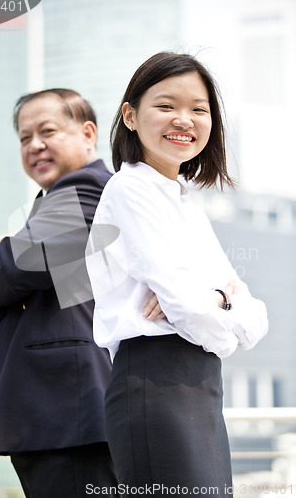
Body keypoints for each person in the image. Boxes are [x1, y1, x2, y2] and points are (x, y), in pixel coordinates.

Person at [86, 53, 269, 497]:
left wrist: (217, 302)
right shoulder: (130, 189)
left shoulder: (183, 201)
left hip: (199, 382)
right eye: (166, 105)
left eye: (199, 109)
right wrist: (220, 313)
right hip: (154, 381)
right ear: (130, 116)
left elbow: (252, 310)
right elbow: (185, 304)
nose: (183, 119)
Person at [0, 88, 120, 497]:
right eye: (24, 137)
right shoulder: (55, 201)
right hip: (57, 416)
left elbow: (10, 270)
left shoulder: (87, 188)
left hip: (68, 416)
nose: (34, 145)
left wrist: (1, 249)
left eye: (47, 131)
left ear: (88, 133)